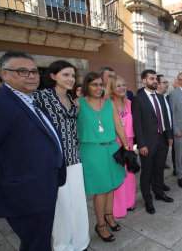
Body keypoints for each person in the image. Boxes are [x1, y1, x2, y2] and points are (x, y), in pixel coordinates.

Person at [0, 51, 65, 251]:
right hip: (24, 193)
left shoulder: (29, 99)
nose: (32, 76)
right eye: (22, 71)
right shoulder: (1, 104)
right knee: (36, 244)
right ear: (4, 73)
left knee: (41, 240)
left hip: (41, 187)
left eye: (34, 72)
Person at [33, 61, 90, 251]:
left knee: (79, 204)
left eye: (73, 76)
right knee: (62, 206)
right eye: (66, 75)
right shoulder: (40, 97)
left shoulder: (73, 100)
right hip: (54, 161)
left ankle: (81, 243)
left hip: (74, 158)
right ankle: (63, 246)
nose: (71, 79)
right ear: (52, 76)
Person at [75, 72, 128, 242]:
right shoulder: (78, 103)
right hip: (91, 151)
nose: (99, 88)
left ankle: (109, 216)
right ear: (86, 86)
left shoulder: (109, 104)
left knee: (111, 186)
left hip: (111, 148)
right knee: (101, 189)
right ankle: (100, 225)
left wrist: (126, 147)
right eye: (94, 84)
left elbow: (118, 126)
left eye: (101, 84)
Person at [133, 70, 174, 214]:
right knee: (147, 172)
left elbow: (165, 118)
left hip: (162, 139)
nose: (155, 81)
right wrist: (141, 144)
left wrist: (169, 135)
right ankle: (147, 200)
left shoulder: (161, 97)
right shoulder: (138, 99)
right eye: (152, 78)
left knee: (159, 169)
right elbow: (137, 124)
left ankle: (159, 192)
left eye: (156, 78)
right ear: (144, 80)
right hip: (148, 143)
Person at [106, 76, 137, 217]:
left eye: (124, 85)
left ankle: (130, 202)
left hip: (128, 142)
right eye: (118, 85)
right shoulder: (107, 104)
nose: (122, 88)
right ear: (111, 88)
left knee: (129, 174)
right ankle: (117, 207)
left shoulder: (130, 103)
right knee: (117, 175)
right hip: (114, 143)